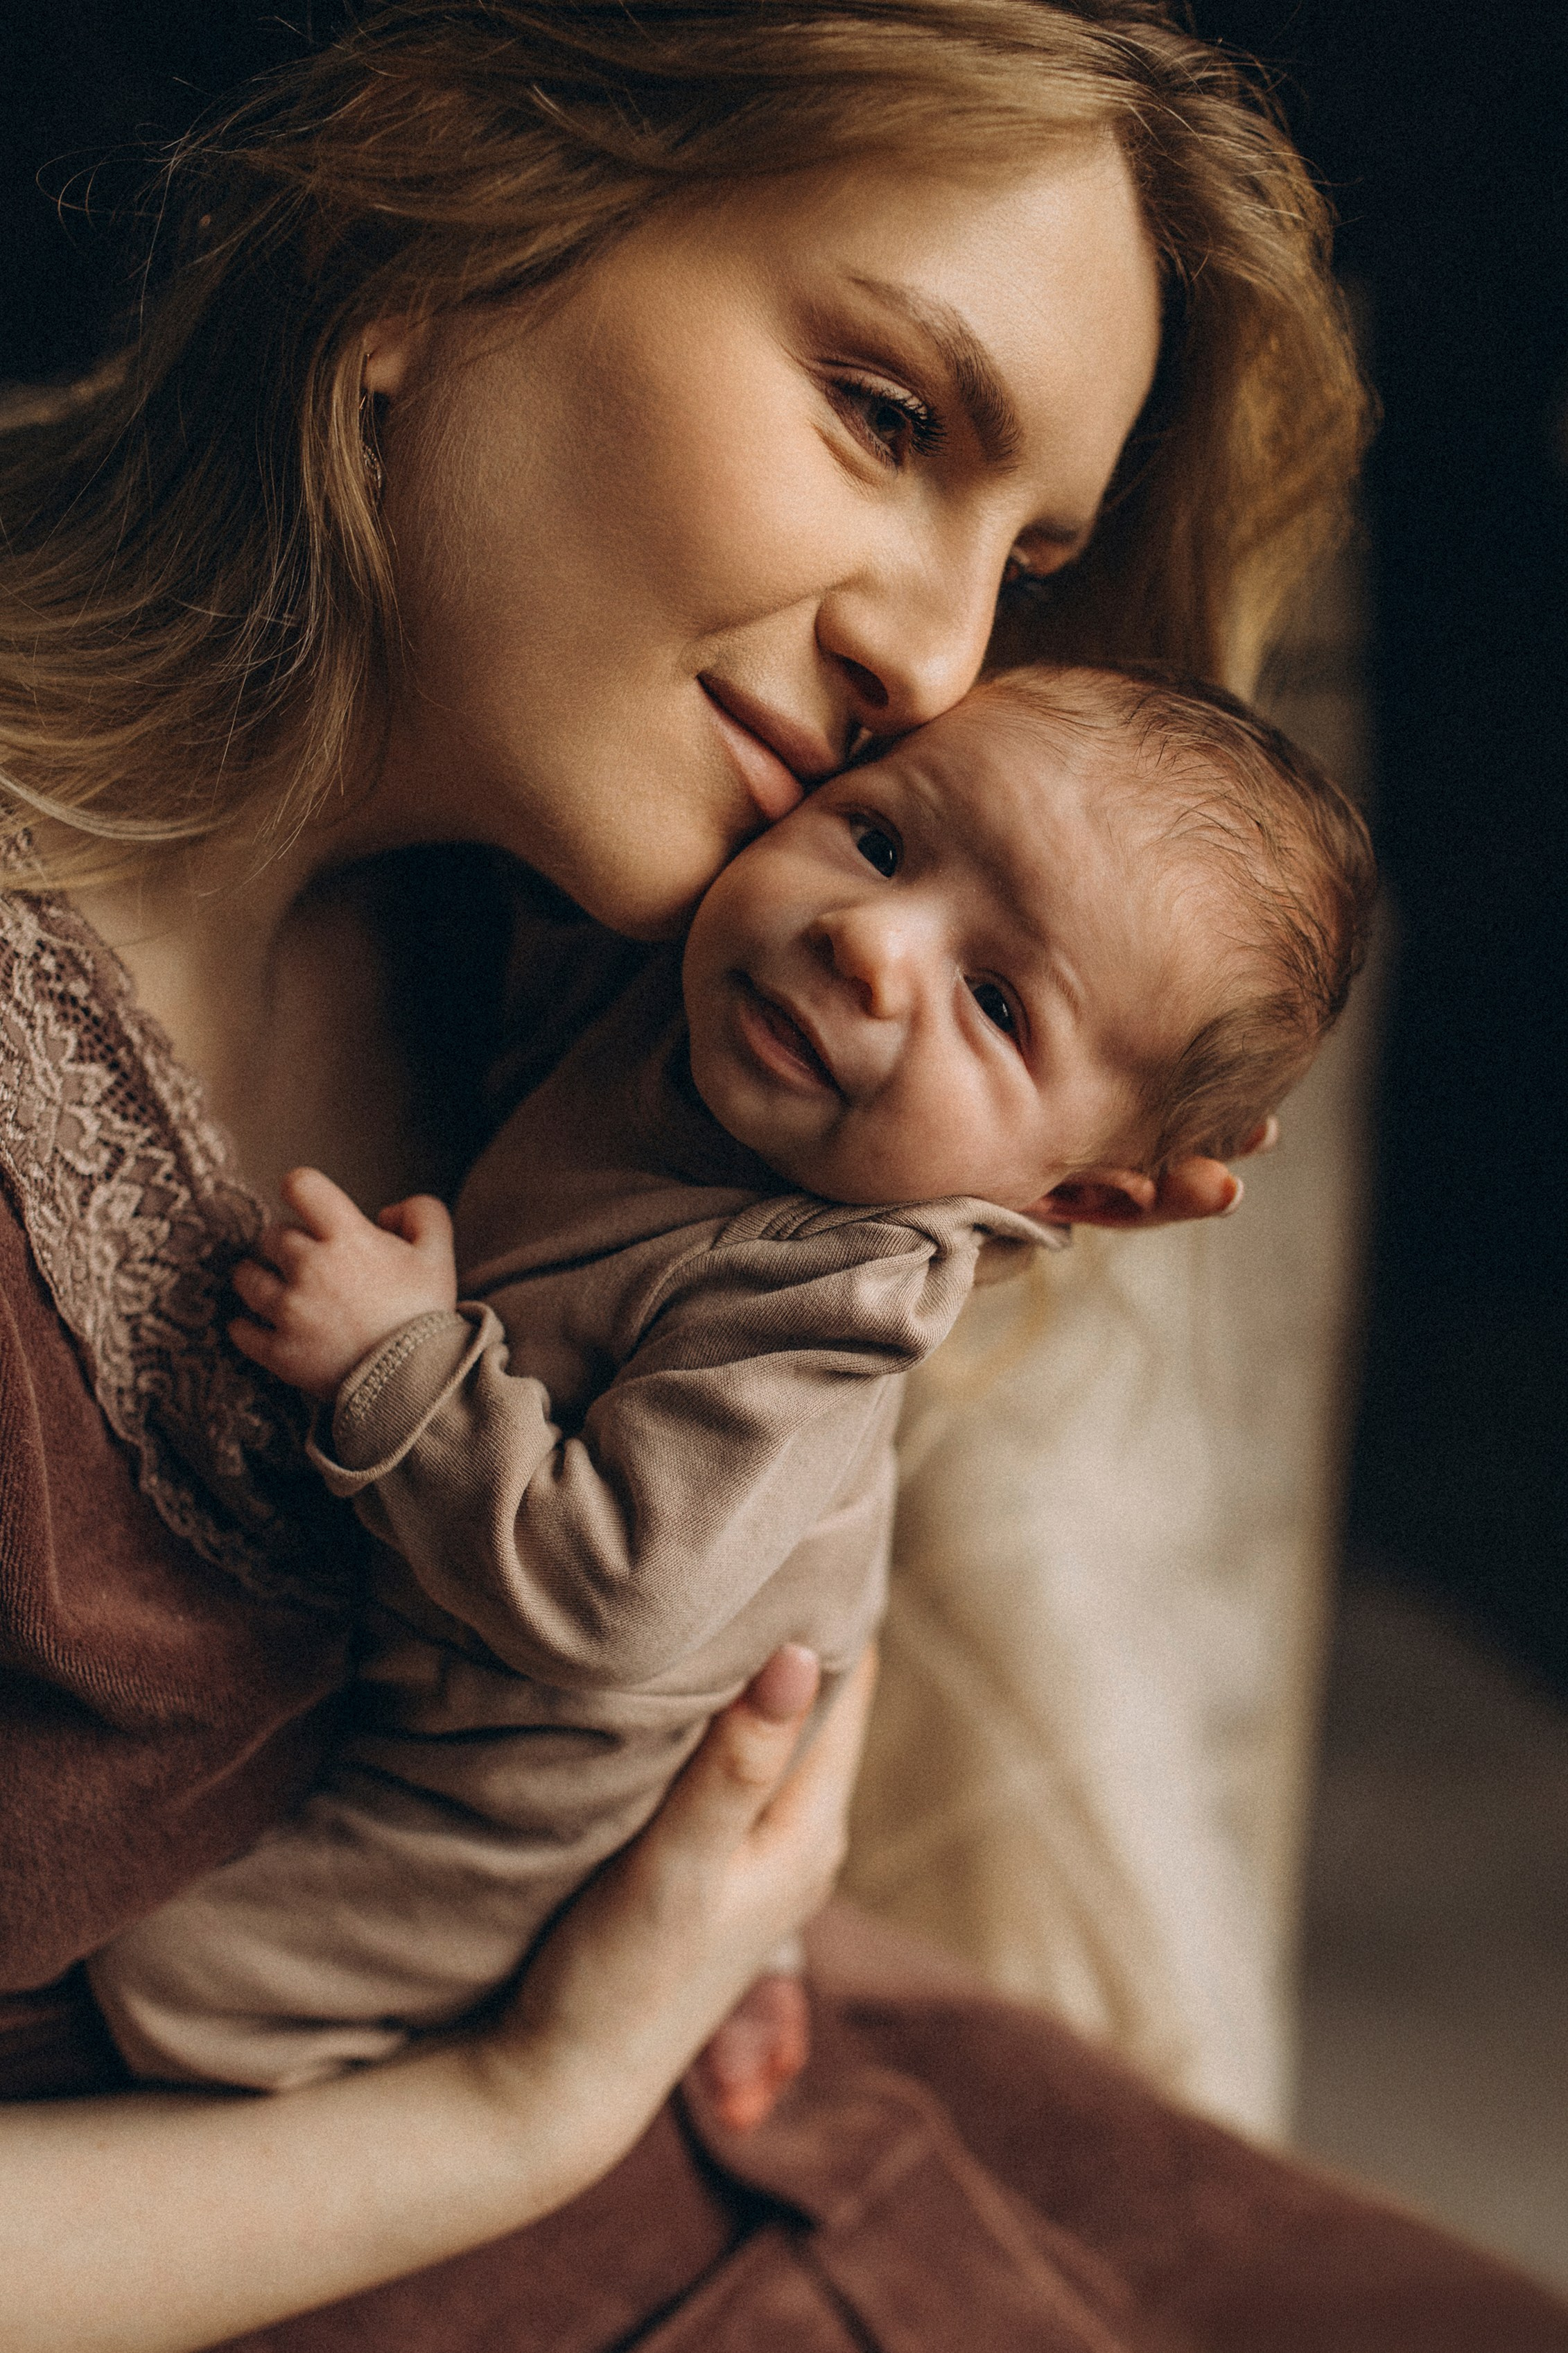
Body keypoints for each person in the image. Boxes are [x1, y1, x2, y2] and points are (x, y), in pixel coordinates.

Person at [4, 5, 1564, 2347]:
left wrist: (719, 1914)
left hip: (826, 2104)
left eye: (1024, 565)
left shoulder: (616, 965)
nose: (935, 659)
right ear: (448, 230)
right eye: (886, 414)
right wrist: (522, 2106)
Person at [86, 661, 1377, 2108]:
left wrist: (399, 1364)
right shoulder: (715, 1006)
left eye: (996, 1001)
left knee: (176, 1986)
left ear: (1075, 1193)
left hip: (538, 1785)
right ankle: (751, 1967)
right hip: (525, 1640)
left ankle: (529, 2083)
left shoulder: (828, 1299)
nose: (868, 941)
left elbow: (613, 1599)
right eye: (879, 838)